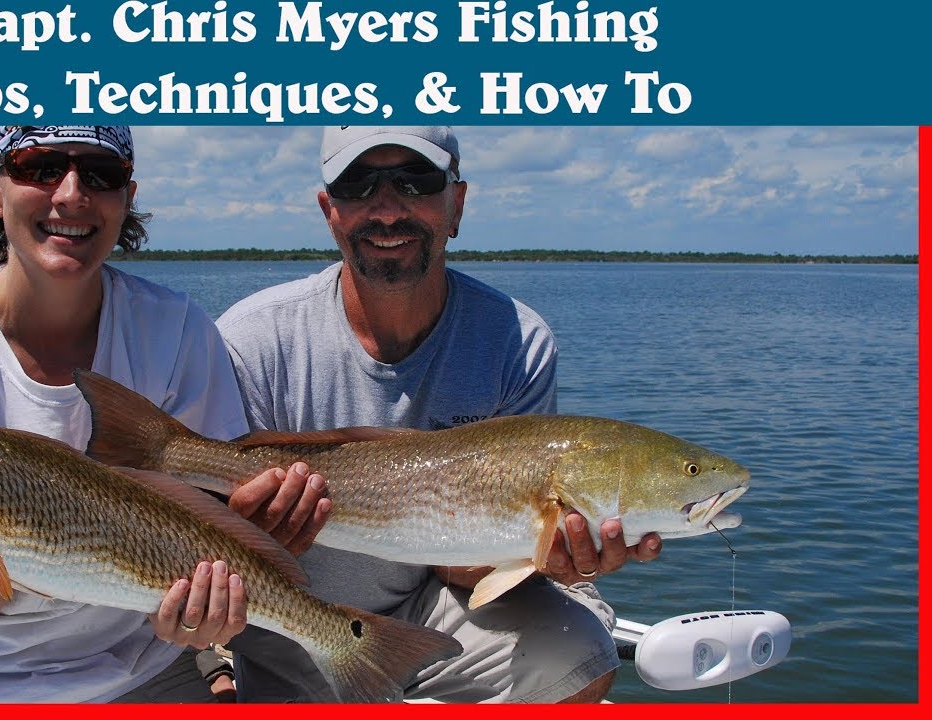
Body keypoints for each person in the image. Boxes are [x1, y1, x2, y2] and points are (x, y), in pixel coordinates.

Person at [216, 126, 663, 703]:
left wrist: (543, 556)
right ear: (329, 211)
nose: (386, 207)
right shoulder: (251, 340)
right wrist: (248, 536)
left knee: (575, 653)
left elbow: (463, 571)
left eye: (415, 180)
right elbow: (196, 540)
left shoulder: (516, 341)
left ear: (457, 204)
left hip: (430, 609)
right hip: (288, 623)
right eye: (358, 184)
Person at [0, 126, 305, 703]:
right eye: (39, 167)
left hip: (139, 666)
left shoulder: (176, 331)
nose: (71, 194)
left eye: (100, 173)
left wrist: (204, 617)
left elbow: (202, 528)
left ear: (128, 197)